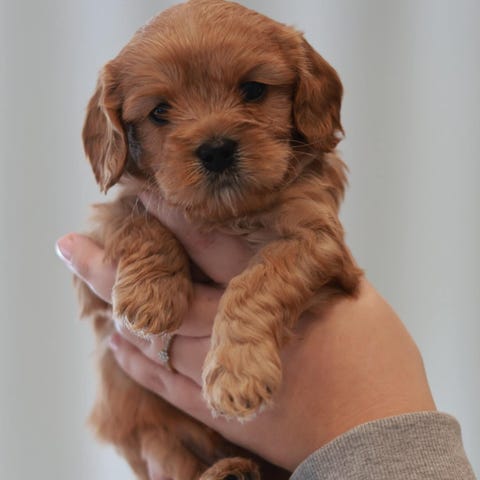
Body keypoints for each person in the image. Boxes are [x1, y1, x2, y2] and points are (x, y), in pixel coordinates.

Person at [56, 193, 476, 479]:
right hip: (170, 440)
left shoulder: (299, 198)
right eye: (162, 113)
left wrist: (360, 425)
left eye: (252, 95)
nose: (214, 135)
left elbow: (316, 246)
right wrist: (150, 254)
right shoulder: (139, 200)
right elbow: (105, 287)